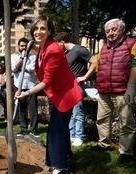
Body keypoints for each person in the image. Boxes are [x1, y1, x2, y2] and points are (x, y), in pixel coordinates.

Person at [15, 16, 82, 174]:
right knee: (60, 129)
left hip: (65, 94)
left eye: (43, 28)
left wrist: (26, 92)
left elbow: (46, 81)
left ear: (50, 31)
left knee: (56, 130)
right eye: (36, 28)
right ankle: (66, 160)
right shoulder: (42, 48)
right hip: (56, 93)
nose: (38, 32)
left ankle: (60, 167)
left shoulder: (53, 49)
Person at [95, 18, 136, 164]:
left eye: (114, 29)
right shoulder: (105, 46)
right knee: (102, 119)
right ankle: (104, 144)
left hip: (123, 90)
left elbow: (135, 65)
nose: (110, 33)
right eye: (107, 31)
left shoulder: (132, 43)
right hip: (104, 89)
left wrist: (131, 87)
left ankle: (126, 152)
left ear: (122, 30)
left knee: (126, 122)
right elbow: (98, 65)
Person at [54, 32, 97, 146]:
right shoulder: (67, 53)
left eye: (57, 44)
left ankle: (79, 136)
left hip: (77, 86)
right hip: (67, 87)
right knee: (70, 113)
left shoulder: (79, 50)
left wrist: (84, 77)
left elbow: (94, 61)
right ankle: (71, 135)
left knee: (78, 112)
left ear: (62, 42)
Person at [11, 37, 39, 137]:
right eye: (22, 46)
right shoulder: (14, 56)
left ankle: (34, 130)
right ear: (18, 46)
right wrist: (22, 59)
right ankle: (23, 129)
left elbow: (32, 69)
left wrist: (20, 67)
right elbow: (13, 68)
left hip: (31, 86)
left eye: (25, 46)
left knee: (33, 109)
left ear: (29, 47)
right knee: (21, 108)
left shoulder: (33, 57)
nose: (23, 48)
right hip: (19, 86)